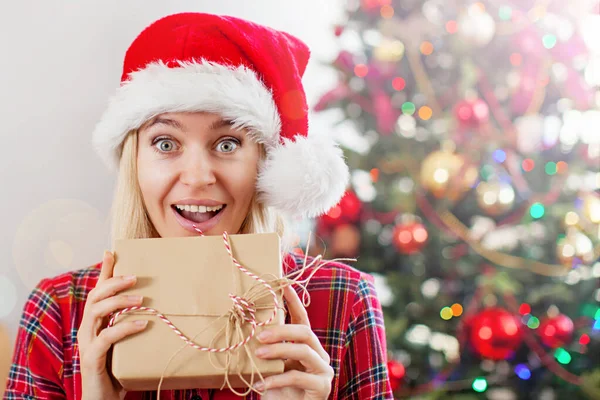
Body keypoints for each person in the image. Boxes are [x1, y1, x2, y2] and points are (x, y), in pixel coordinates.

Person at [4, 12, 393, 400]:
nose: (197, 177)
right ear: (134, 162)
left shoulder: (342, 299)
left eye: (227, 143)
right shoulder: (59, 310)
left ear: (265, 163)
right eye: (165, 143)